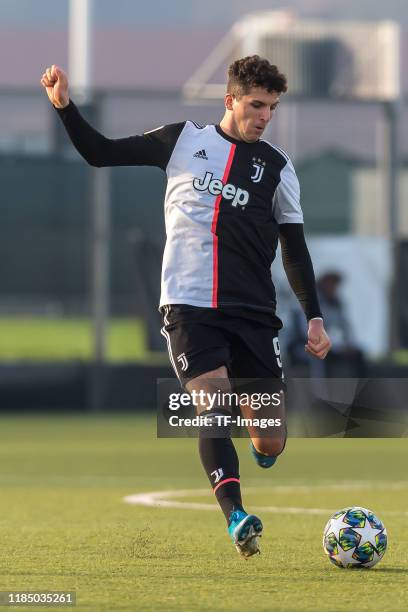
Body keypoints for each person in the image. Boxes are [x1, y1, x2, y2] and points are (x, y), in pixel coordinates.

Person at [41, 56, 331, 559]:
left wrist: (314, 316)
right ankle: (236, 516)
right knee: (212, 405)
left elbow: (295, 248)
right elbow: (99, 152)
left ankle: (262, 450)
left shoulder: (279, 169)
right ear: (230, 100)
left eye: (272, 107)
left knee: (270, 440)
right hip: (188, 305)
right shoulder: (181, 141)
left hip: (253, 314)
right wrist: (65, 108)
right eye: (256, 104)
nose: (264, 115)